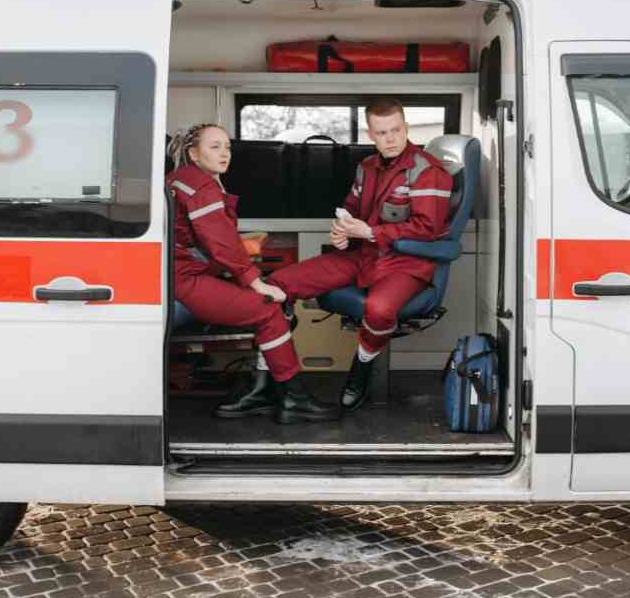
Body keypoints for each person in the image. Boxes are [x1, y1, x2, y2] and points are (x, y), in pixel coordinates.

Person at [267, 100, 453, 411]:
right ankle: (273, 381)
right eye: (382, 133)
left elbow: (427, 229)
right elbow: (350, 210)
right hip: (363, 255)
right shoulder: (365, 168)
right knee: (276, 284)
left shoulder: (428, 171)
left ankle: (362, 366)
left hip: (406, 263)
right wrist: (341, 230)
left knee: (379, 309)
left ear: (406, 128)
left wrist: (369, 232)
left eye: (396, 130)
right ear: (372, 135)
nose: (391, 138)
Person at [166, 123, 339, 424]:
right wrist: (255, 282)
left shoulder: (181, 179)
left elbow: (205, 241)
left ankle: (262, 392)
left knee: (275, 306)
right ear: (193, 153)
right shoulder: (202, 186)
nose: (224, 154)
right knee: (270, 311)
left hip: (183, 275)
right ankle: (294, 399)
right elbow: (220, 243)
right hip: (187, 282)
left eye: (227, 147)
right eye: (214, 147)